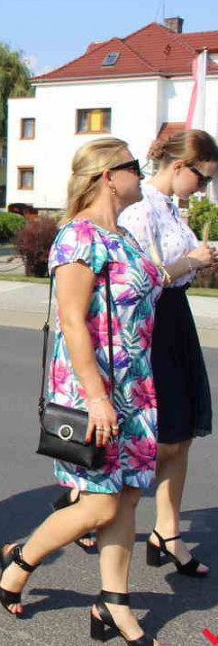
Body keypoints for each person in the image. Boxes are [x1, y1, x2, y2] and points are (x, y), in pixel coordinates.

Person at [0, 138, 164, 646]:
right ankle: (18, 563)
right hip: (97, 389)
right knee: (100, 505)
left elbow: (145, 291)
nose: (142, 175)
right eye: (135, 167)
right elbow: (71, 319)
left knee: (127, 497)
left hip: (135, 385)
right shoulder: (78, 237)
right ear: (110, 175)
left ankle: (114, 603)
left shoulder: (124, 235)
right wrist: (98, 396)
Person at [118, 128, 217, 577]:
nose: (204, 187)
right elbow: (141, 280)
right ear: (180, 167)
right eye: (203, 178)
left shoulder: (173, 211)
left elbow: (175, 270)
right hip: (154, 324)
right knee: (162, 438)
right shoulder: (140, 212)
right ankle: (92, 496)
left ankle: (167, 530)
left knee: (183, 434)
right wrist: (192, 262)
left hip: (177, 318)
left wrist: (198, 260)